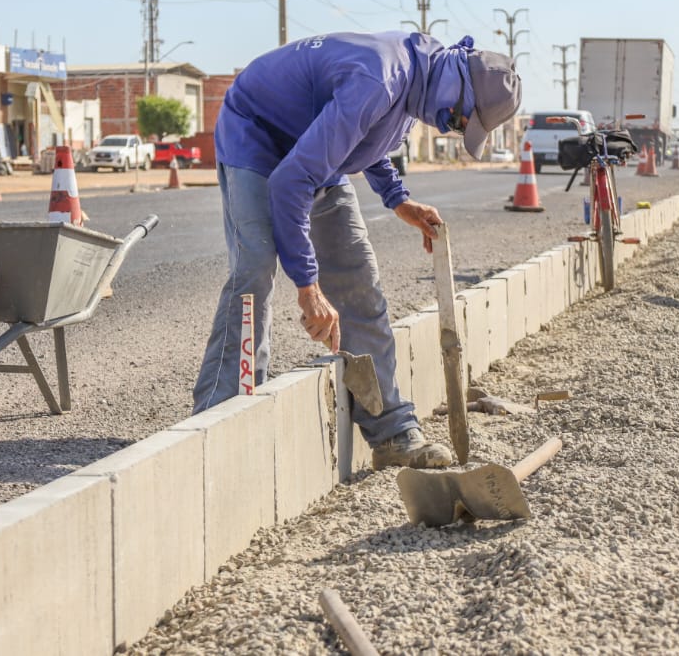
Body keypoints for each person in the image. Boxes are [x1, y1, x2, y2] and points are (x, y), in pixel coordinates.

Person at [194, 31, 521, 470]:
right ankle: (221, 415)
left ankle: (390, 431)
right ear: (456, 90)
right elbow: (292, 180)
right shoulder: (382, 79)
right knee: (255, 266)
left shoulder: (417, 83)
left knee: (358, 279)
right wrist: (308, 285)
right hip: (256, 134)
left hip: (311, 147)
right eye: (462, 121)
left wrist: (398, 199)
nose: (452, 127)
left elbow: (369, 140)